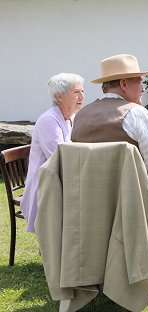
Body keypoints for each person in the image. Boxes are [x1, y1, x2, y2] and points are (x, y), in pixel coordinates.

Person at [71, 54, 148, 254]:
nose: (143, 88)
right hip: (132, 207)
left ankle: (110, 257)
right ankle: (135, 259)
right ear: (123, 84)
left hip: (87, 207)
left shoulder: (80, 116)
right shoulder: (136, 113)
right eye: (139, 82)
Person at [21, 73, 84, 232]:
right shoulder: (48, 120)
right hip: (45, 186)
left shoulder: (72, 118)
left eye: (82, 91)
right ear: (60, 96)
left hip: (63, 180)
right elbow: (60, 158)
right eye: (76, 92)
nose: (82, 96)